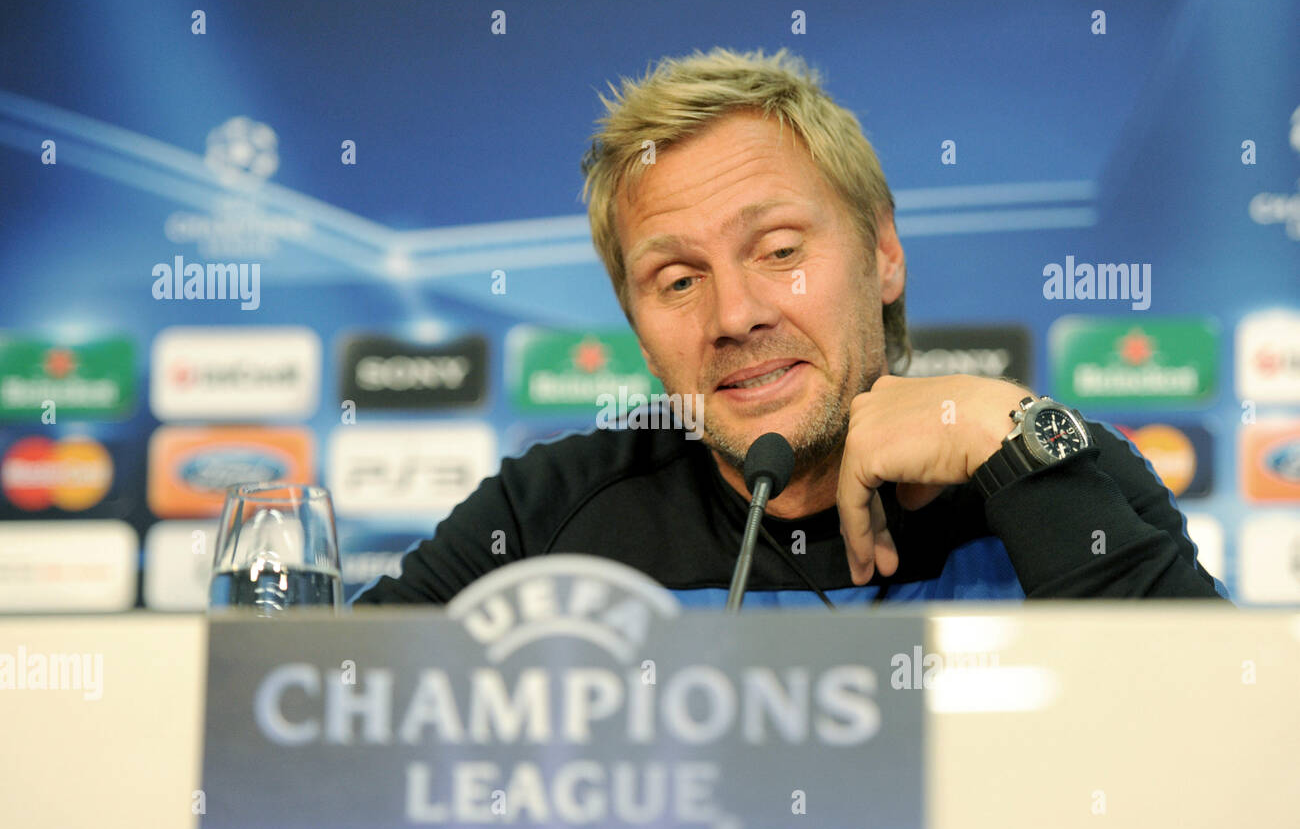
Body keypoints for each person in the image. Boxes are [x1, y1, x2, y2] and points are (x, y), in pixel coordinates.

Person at [354, 48, 1228, 607]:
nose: (734, 316)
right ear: (634, 322)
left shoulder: (1057, 463)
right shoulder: (545, 516)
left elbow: (1225, 772)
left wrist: (1015, 446)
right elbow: (303, 732)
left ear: (883, 250)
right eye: (678, 278)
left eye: (777, 250)